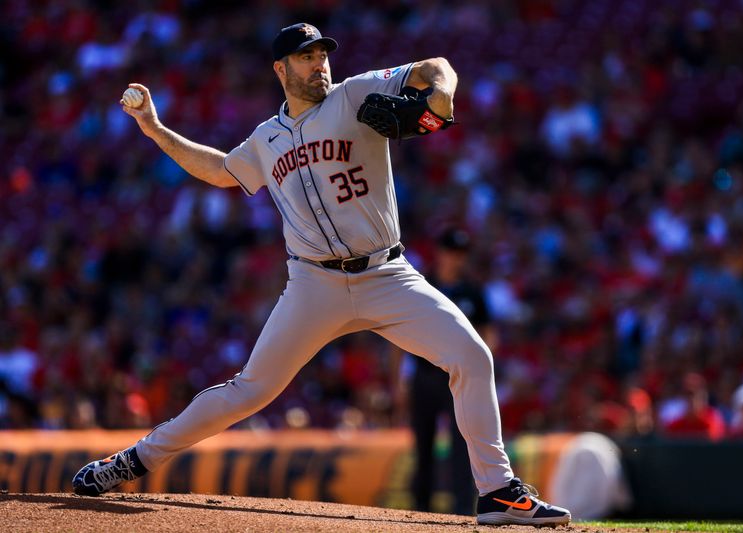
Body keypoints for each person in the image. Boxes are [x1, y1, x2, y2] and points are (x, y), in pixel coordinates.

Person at [71, 23, 570, 527]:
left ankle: (498, 493)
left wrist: (439, 96)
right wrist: (156, 130)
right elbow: (222, 170)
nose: (319, 63)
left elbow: (434, 68)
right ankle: (134, 460)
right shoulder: (267, 138)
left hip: (386, 274)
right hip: (314, 285)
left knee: (471, 356)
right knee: (250, 391)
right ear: (280, 69)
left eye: (322, 54)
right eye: (306, 56)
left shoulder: (355, 94)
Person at [400, 229, 491, 515]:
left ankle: (463, 510)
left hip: (457, 377)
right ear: (439, 252)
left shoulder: (472, 292)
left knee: (462, 444)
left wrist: (482, 372)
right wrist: (399, 378)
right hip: (425, 373)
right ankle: (420, 508)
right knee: (422, 443)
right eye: (452, 252)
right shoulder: (421, 285)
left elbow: (488, 334)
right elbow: (399, 332)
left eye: (461, 253)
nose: (456, 259)